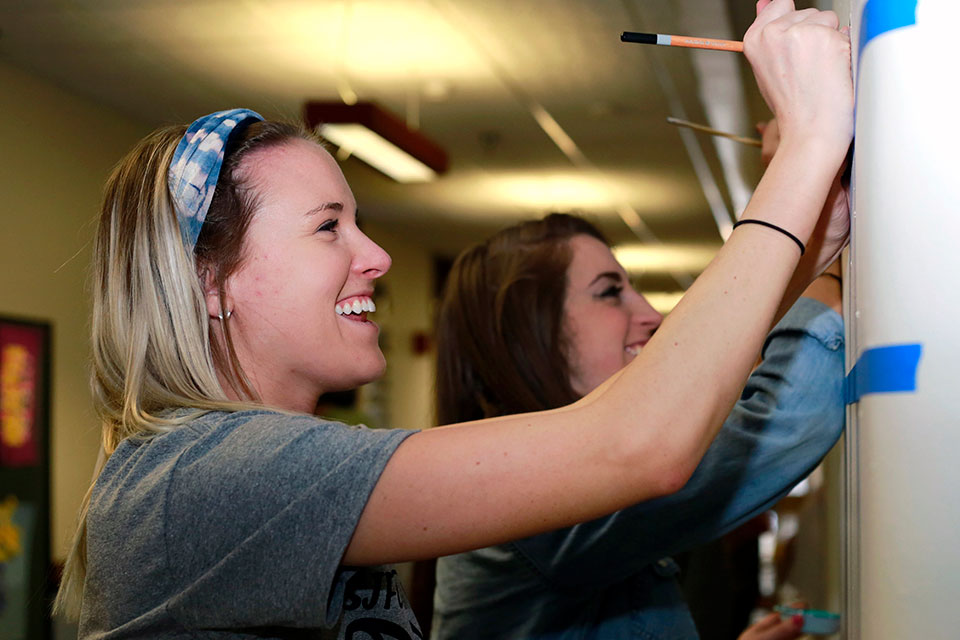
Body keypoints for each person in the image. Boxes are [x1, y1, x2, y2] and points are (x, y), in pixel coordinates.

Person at [53, 1, 853, 637]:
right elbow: (637, 444)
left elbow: (643, 422)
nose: (377, 257)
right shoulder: (207, 475)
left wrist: (814, 236)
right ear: (207, 281)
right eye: (329, 227)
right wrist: (808, 148)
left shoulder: (261, 466)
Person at [429, 212, 844, 640]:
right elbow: (786, 423)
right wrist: (832, 278)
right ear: (528, 335)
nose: (651, 314)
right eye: (610, 293)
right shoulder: (519, 484)